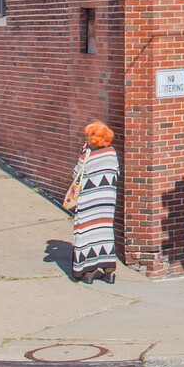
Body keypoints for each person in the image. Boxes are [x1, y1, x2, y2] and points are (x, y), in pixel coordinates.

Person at [64, 121, 120, 283]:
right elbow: (115, 172)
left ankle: (89, 271)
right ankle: (109, 271)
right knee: (104, 230)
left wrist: (82, 153)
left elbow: (76, 174)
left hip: (89, 200)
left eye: (88, 137)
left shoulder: (87, 155)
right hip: (107, 200)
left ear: (93, 140)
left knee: (87, 232)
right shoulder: (111, 153)